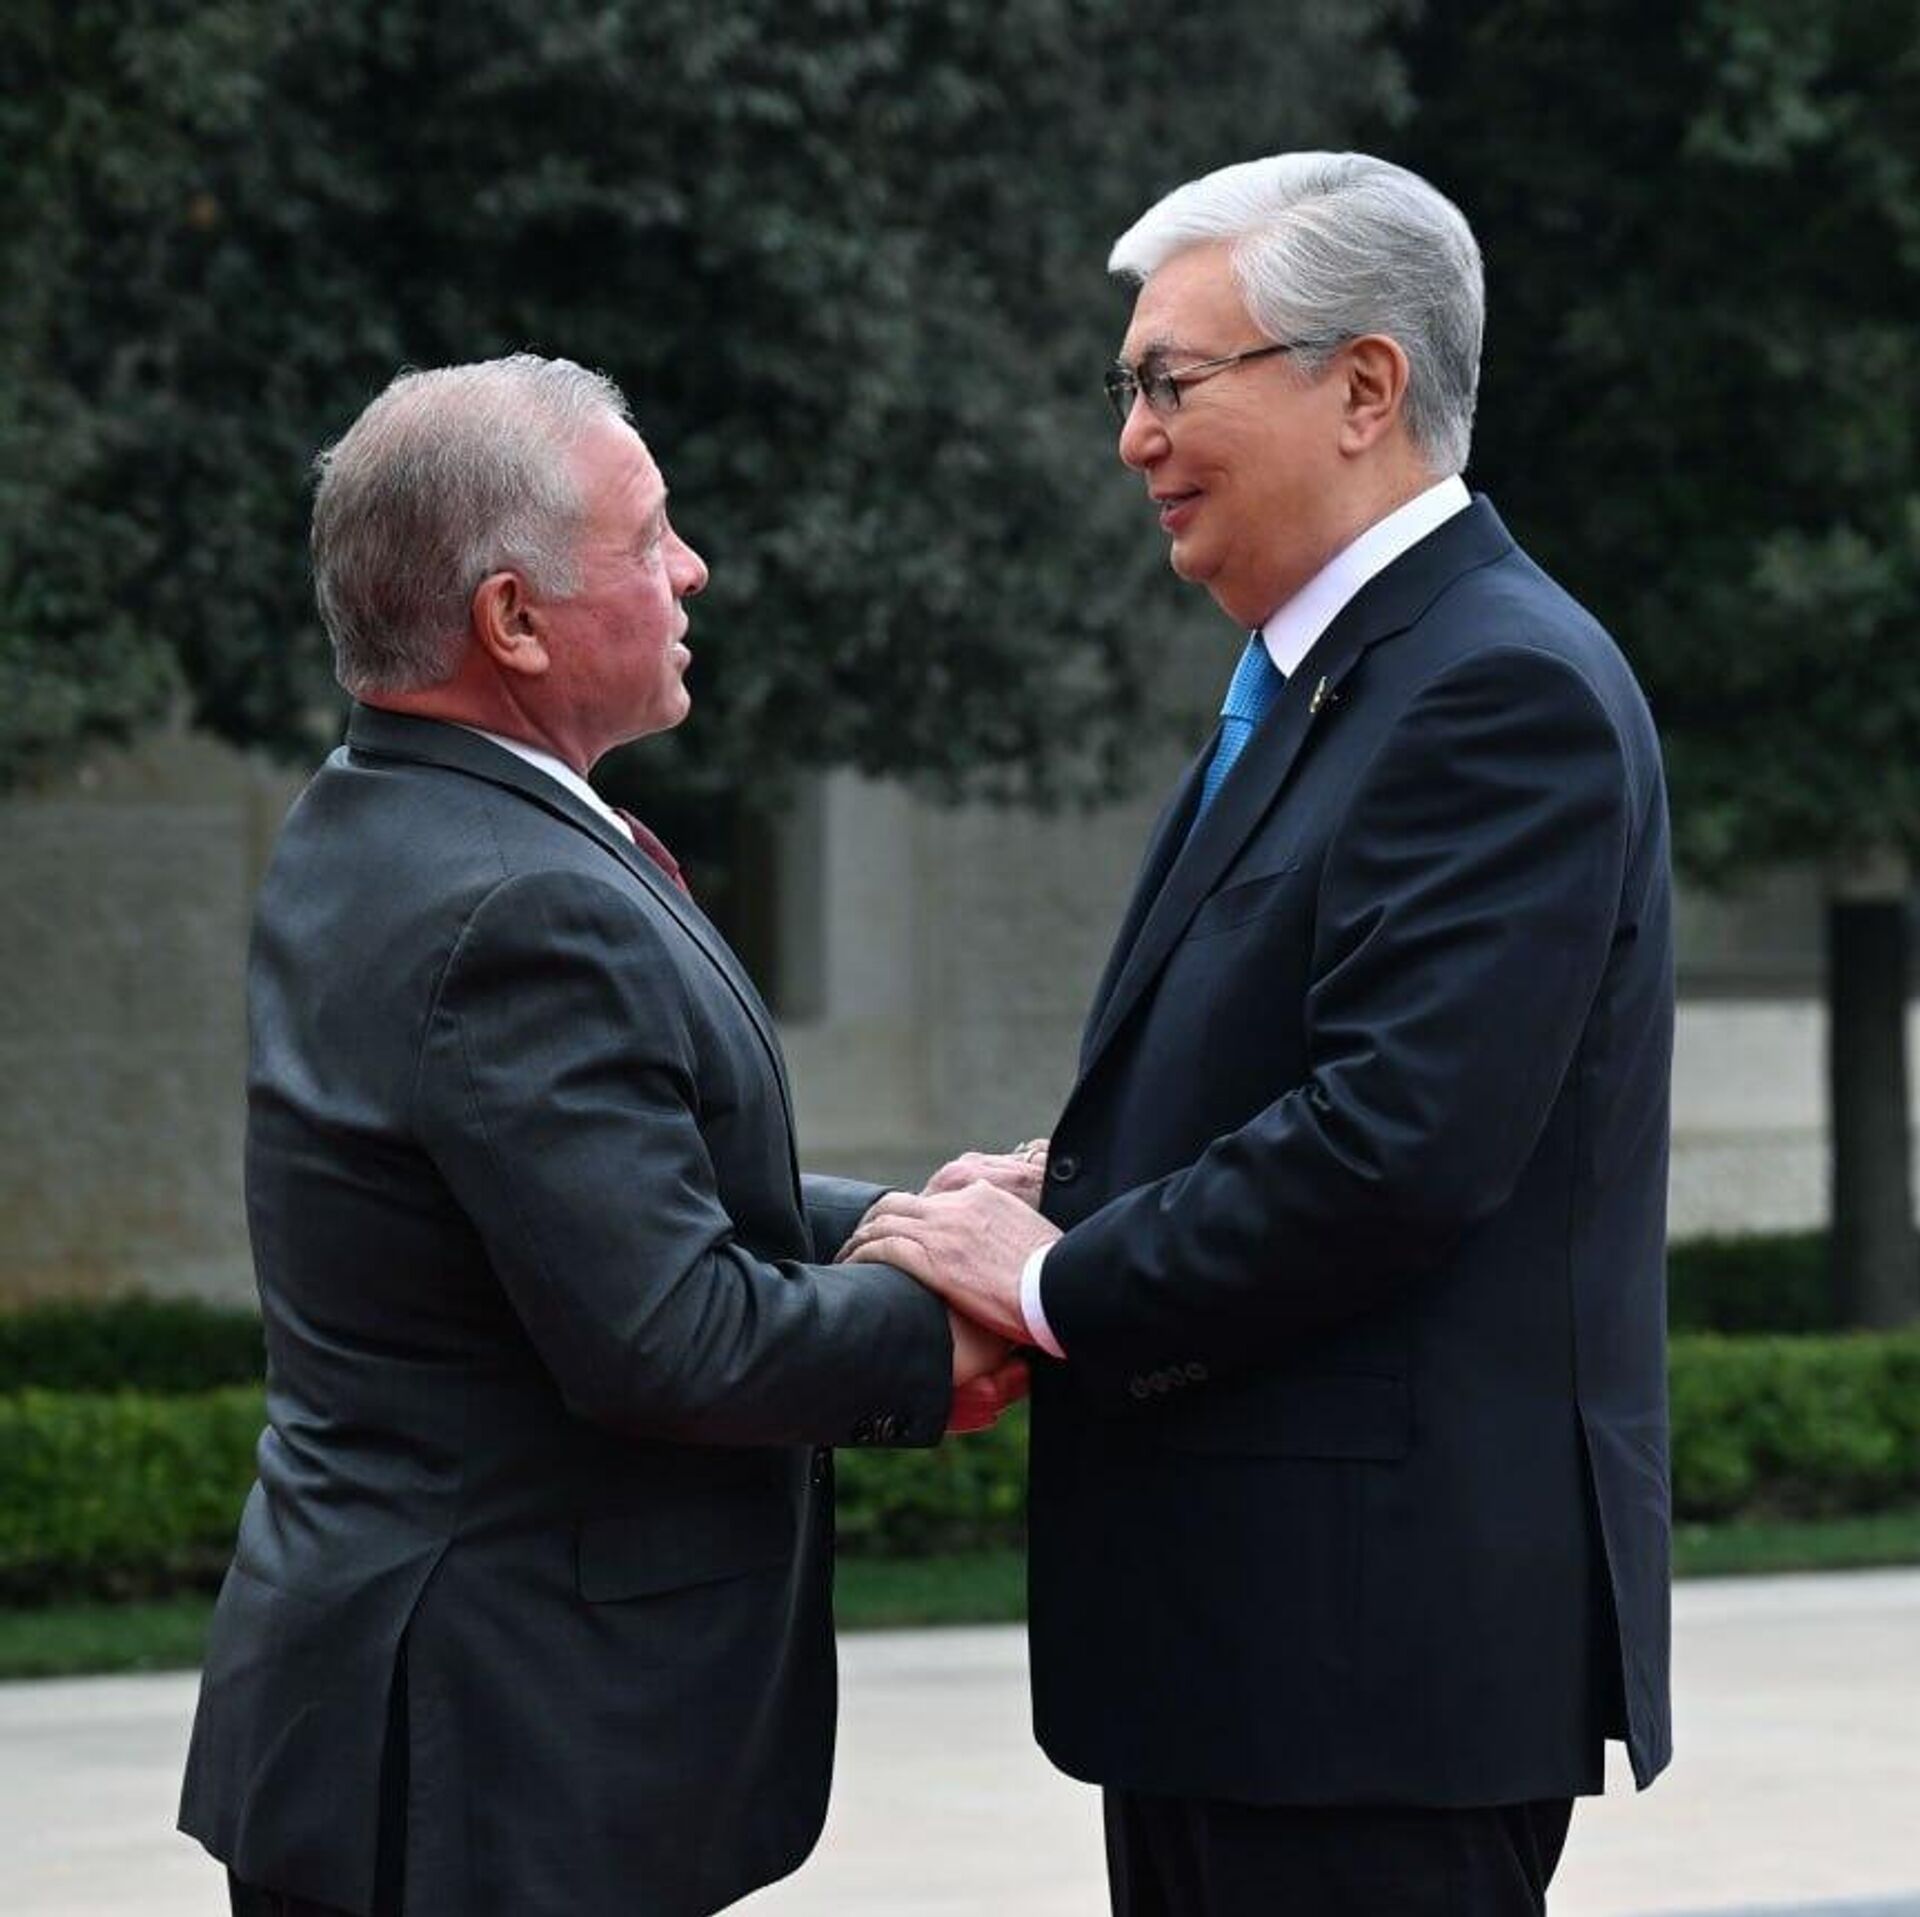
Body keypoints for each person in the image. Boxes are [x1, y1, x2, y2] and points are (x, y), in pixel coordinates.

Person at [842, 153, 1674, 1915]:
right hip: (1256, 1665)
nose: (1132, 437)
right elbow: (1312, 1069)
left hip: (1365, 1680)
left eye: (1171, 380)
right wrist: (1075, 1178)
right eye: (1127, 386)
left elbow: (1396, 1147)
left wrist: (1052, 1279)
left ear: (1365, 386)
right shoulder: (1341, 677)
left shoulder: (1495, 687)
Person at [178, 353, 1024, 1917]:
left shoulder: (386, 812)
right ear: (512, 619)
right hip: (488, 1759)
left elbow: (592, 1193)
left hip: (437, 1734)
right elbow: (667, 1337)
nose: (693, 569)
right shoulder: (517, 897)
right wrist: (959, 1320)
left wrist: (898, 1222)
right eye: (648, 538)